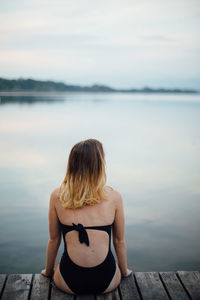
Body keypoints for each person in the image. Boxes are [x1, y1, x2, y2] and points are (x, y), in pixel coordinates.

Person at [41, 139, 132, 294]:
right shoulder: (114, 197)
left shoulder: (58, 196)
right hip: (107, 279)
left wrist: (48, 271)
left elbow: (54, 240)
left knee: (59, 267)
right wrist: (124, 272)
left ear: (72, 164)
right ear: (99, 165)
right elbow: (119, 241)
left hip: (68, 281)